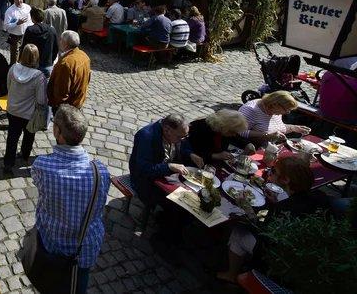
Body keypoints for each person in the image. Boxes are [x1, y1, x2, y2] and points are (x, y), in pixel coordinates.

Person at [32, 105, 111, 294]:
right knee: (79, 284)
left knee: (48, 283)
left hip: (52, 242)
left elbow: (39, 186)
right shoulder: (100, 171)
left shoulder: (42, 165)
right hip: (84, 248)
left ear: (57, 132)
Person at [216, 155, 330, 284]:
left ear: (286, 179)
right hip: (311, 255)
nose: (270, 173)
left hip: (279, 258)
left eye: (274, 171)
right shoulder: (319, 195)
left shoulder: (286, 208)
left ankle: (231, 275)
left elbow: (263, 232)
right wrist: (274, 204)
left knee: (238, 232)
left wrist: (247, 208)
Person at [129, 114, 204, 207]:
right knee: (182, 203)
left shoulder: (176, 133)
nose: (182, 140)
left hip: (168, 175)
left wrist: (190, 154)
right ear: (167, 130)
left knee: (199, 193)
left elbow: (184, 145)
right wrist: (169, 167)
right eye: (180, 137)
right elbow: (144, 169)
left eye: (185, 136)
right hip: (145, 180)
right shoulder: (146, 136)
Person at [5, 44, 47, 173]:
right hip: (29, 113)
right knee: (29, 135)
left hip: (13, 110)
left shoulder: (13, 68)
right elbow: (41, 99)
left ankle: (8, 162)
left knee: (12, 137)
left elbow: (8, 86)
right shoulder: (39, 76)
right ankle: (24, 155)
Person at [238, 91, 310, 143]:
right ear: (275, 104)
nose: (288, 113)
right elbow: (239, 131)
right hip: (253, 147)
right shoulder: (251, 110)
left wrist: (293, 128)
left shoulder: (274, 111)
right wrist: (266, 135)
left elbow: (275, 127)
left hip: (271, 147)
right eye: (286, 109)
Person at [47, 31, 91, 109]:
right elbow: (88, 79)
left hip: (67, 107)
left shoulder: (66, 64)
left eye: (60, 40)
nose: (59, 41)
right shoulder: (84, 56)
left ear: (65, 44)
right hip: (78, 100)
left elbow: (61, 90)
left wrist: (58, 106)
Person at [22, 8, 59, 75]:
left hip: (32, 64)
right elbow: (56, 48)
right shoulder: (51, 29)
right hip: (47, 64)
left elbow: (25, 47)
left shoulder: (30, 30)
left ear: (32, 18)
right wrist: (51, 61)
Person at [4, 0, 33, 65]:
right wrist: (16, 23)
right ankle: (13, 71)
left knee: (25, 54)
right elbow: (6, 26)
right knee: (14, 57)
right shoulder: (10, 11)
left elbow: (31, 21)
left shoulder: (27, 7)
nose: (19, 1)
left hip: (26, 35)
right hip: (15, 37)